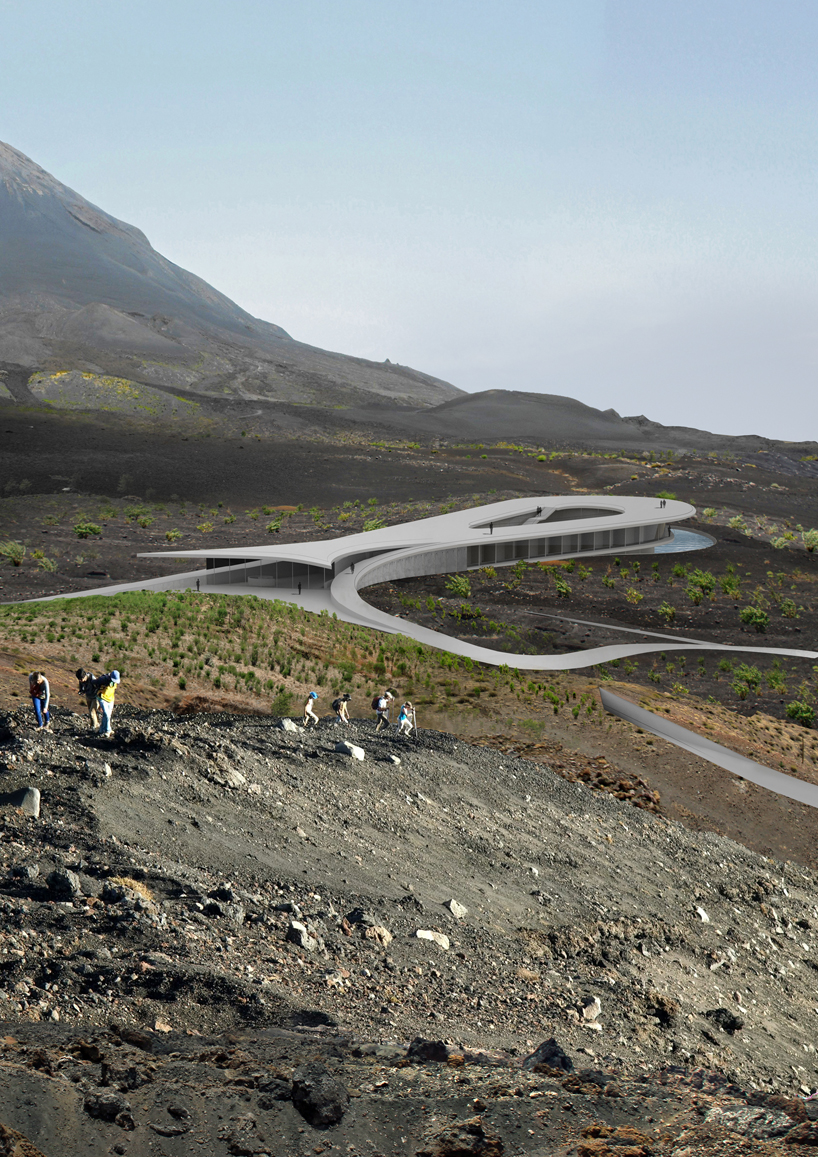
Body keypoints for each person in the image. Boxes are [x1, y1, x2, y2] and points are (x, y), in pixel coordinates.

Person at [95, 670, 120, 737]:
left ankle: (101, 729)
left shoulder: (114, 681)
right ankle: (108, 730)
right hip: (102, 698)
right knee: (106, 714)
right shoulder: (103, 679)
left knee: (107, 715)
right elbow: (95, 683)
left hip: (110, 699)